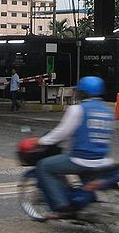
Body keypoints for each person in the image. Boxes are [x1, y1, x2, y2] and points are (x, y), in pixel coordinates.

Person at [35, 76, 114, 218]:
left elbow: (62, 132)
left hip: (81, 159)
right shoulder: (107, 111)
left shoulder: (77, 109)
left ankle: (61, 207)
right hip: (103, 160)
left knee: (43, 166)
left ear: (83, 92)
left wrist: (42, 141)